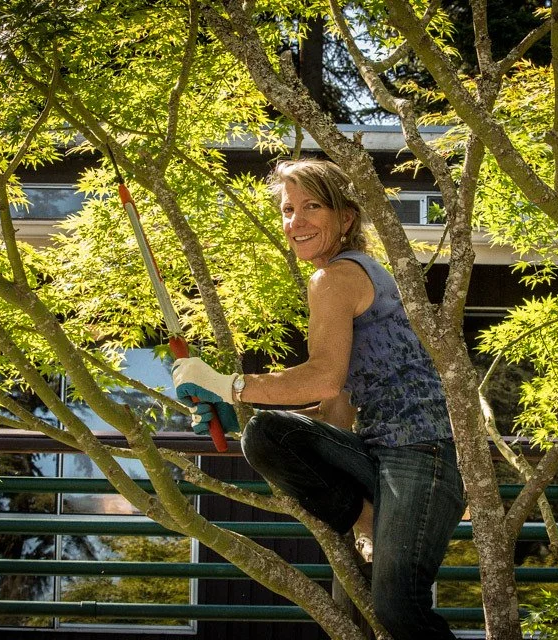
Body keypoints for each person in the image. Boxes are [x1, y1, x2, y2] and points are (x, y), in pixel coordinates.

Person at [172, 158, 465, 640]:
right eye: (288, 209)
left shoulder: (336, 278)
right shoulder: (345, 276)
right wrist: (239, 407)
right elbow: (335, 408)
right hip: (379, 452)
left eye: (312, 206)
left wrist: (228, 383)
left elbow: (323, 378)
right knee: (266, 433)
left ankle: (367, 515)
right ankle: (366, 512)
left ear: (345, 218)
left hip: (424, 454)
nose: (297, 221)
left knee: (397, 607)